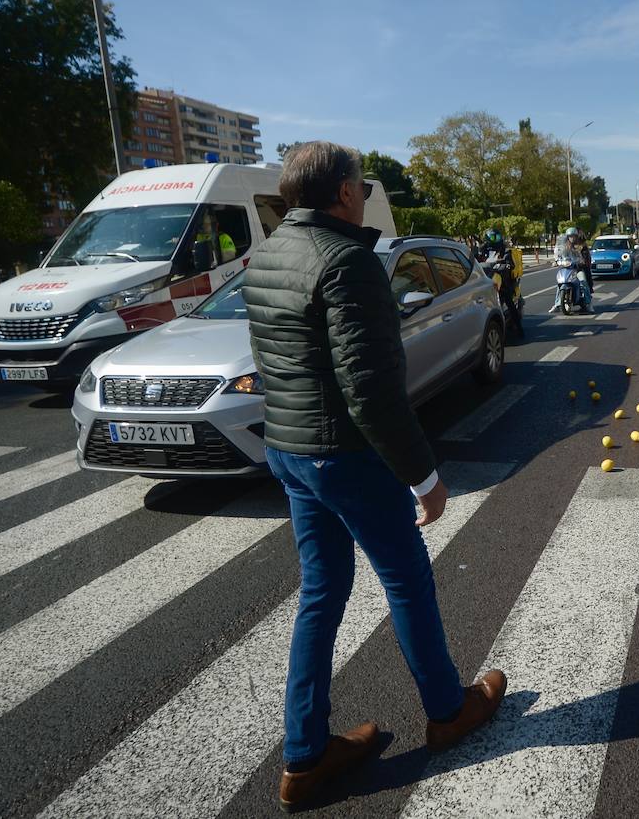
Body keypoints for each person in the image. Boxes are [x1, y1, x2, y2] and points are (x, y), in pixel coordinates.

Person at [241, 142, 505, 812]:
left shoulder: (267, 254)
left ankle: (304, 757)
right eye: (359, 184)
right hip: (347, 455)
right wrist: (422, 476)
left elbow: (276, 360)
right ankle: (450, 710)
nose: (363, 192)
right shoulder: (348, 261)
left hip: (292, 450)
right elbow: (370, 389)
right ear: (342, 195)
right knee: (407, 581)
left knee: (322, 593)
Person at [477, 227, 523, 336]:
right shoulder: (483, 249)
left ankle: (520, 329)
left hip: (502, 278)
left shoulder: (504, 249)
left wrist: (506, 265)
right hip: (486, 276)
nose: (494, 239)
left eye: (496, 237)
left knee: (508, 300)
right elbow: (476, 259)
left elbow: (509, 263)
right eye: (491, 237)